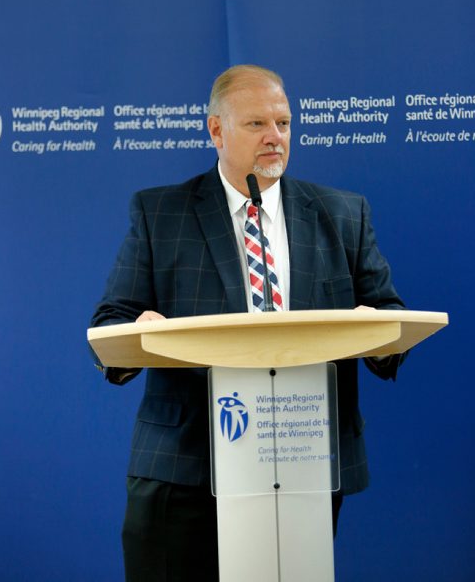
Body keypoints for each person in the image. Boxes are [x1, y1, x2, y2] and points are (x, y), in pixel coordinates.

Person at [90, 64, 405, 581]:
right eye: (257, 124)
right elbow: (111, 320)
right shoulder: (160, 213)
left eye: (283, 123)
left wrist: (376, 332)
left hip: (302, 457)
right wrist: (140, 329)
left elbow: (390, 315)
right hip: (185, 465)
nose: (275, 138)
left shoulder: (343, 214)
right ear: (216, 131)